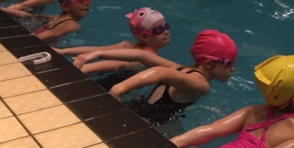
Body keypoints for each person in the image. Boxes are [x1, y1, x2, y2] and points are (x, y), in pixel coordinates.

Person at [72, 29, 237, 123]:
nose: (233, 69)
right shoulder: (200, 84)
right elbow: (160, 72)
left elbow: (141, 56)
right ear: (209, 64)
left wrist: (97, 53)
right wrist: (119, 89)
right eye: (229, 63)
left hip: (135, 107)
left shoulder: (180, 68)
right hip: (142, 121)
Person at [55, 7, 170, 74]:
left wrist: (64, 51)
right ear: (144, 37)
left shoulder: (128, 45)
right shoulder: (145, 57)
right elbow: (117, 64)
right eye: (159, 29)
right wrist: (83, 69)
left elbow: (98, 50)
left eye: (166, 26)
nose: (166, 31)